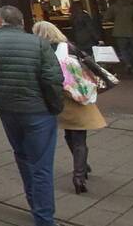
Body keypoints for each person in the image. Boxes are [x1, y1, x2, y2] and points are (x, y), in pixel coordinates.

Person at [0, 5, 66, 226]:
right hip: (37, 110)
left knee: (23, 156)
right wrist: (56, 106)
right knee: (41, 164)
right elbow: (53, 78)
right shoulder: (39, 43)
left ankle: (36, 206)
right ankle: (44, 221)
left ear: (0, 21)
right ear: (22, 22)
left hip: (7, 109)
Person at [32, 21, 107, 195]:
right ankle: (79, 175)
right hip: (78, 96)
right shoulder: (69, 48)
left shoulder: (40, 52)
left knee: (68, 133)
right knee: (80, 137)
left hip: (58, 97)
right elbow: (88, 66)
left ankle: (82, 166)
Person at [104, 0, 133, 71]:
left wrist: (115, 20)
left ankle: (128, 64)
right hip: (132, 32)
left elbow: (106, 17)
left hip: (119, 32)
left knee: (123, 49)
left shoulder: (114, 7)